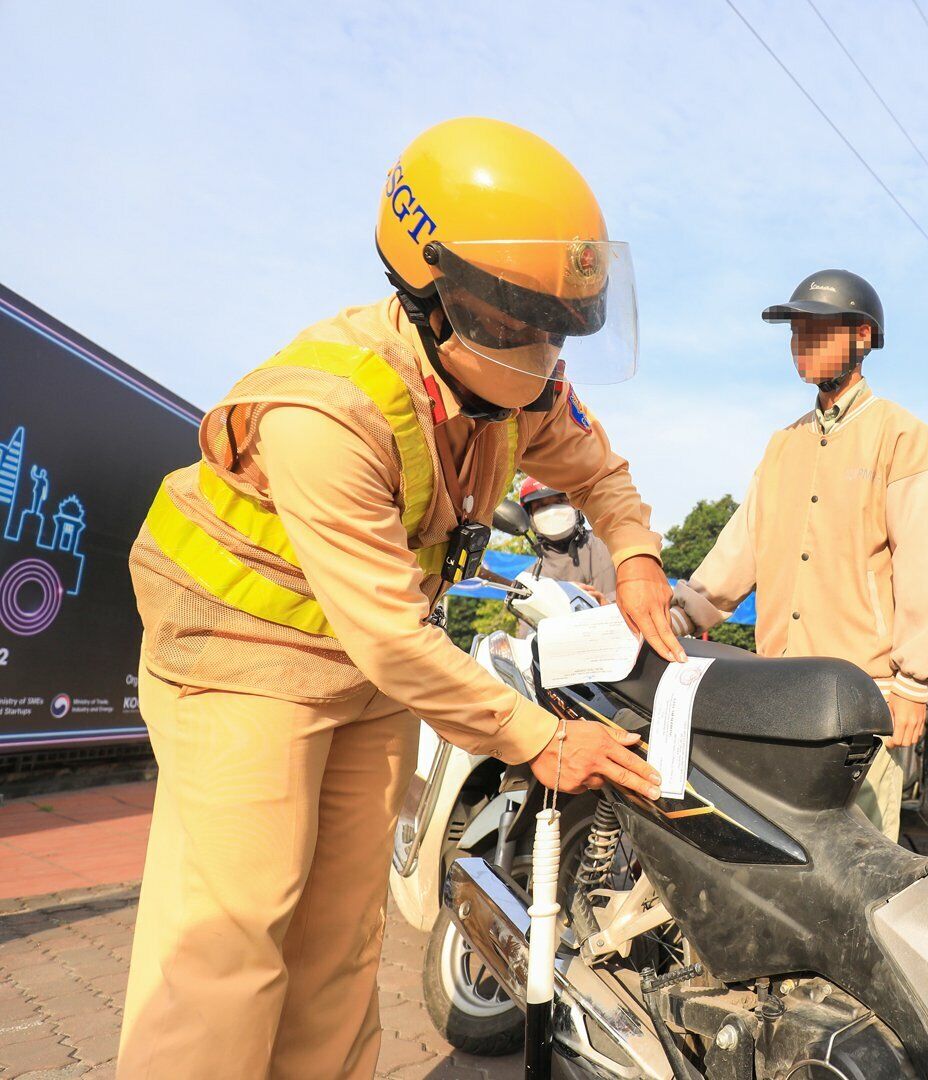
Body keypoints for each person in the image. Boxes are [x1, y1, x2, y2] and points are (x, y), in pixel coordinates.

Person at [118, 118, 681, 1079]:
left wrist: (634, 555)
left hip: (366, 670)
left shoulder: (520, 389)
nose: (541, 352)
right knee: (233, 939)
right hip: (240, 657)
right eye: (515, 319)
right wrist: (545, 740)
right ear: (431, 291)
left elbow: (604, 474)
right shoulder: (326, 410)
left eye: (555, 325)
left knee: (340, 942)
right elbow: (388, 636)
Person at [669, 269, 928, 841]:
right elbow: (739, 549)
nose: (802, 343)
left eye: (818, 331)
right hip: (780, 695)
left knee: (859, 868)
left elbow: (925, 565)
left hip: (864, 698)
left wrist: (914, 685)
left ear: (863, 337)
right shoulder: (782, 445)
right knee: (785, 863)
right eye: (797, 332)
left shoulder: (902, 436)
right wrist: (678, 615)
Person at [516, 475, 617, 602]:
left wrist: (606, 606)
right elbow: (531, 620)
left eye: (559, 502)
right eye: (541, 506)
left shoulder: (612, 544)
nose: (552, 511)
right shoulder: (531, 580)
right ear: (530, 517)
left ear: (576, 506)